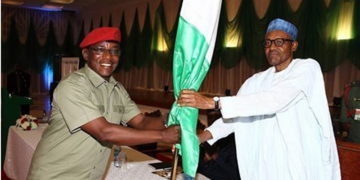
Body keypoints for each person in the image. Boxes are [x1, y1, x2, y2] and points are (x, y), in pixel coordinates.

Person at [178, 18, 341, 180]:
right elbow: (234, 118)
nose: (272, 47)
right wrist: (199, 138)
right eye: (268, 43)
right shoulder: (255, 81)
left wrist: (212, 102)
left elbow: (273, 101)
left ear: (294, 45)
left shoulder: (307, 69)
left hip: (297, 164)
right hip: (265, 166)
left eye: (279, 42)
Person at [27, 27, 181, 180]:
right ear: (86, 54)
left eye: (114, 51)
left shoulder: (117, 89)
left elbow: (141, 121)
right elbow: (104, 132)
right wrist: (162, 136)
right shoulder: (72, 85)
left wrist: (168, 118)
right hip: (55, 175)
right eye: (100, 49)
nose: (108, 57)